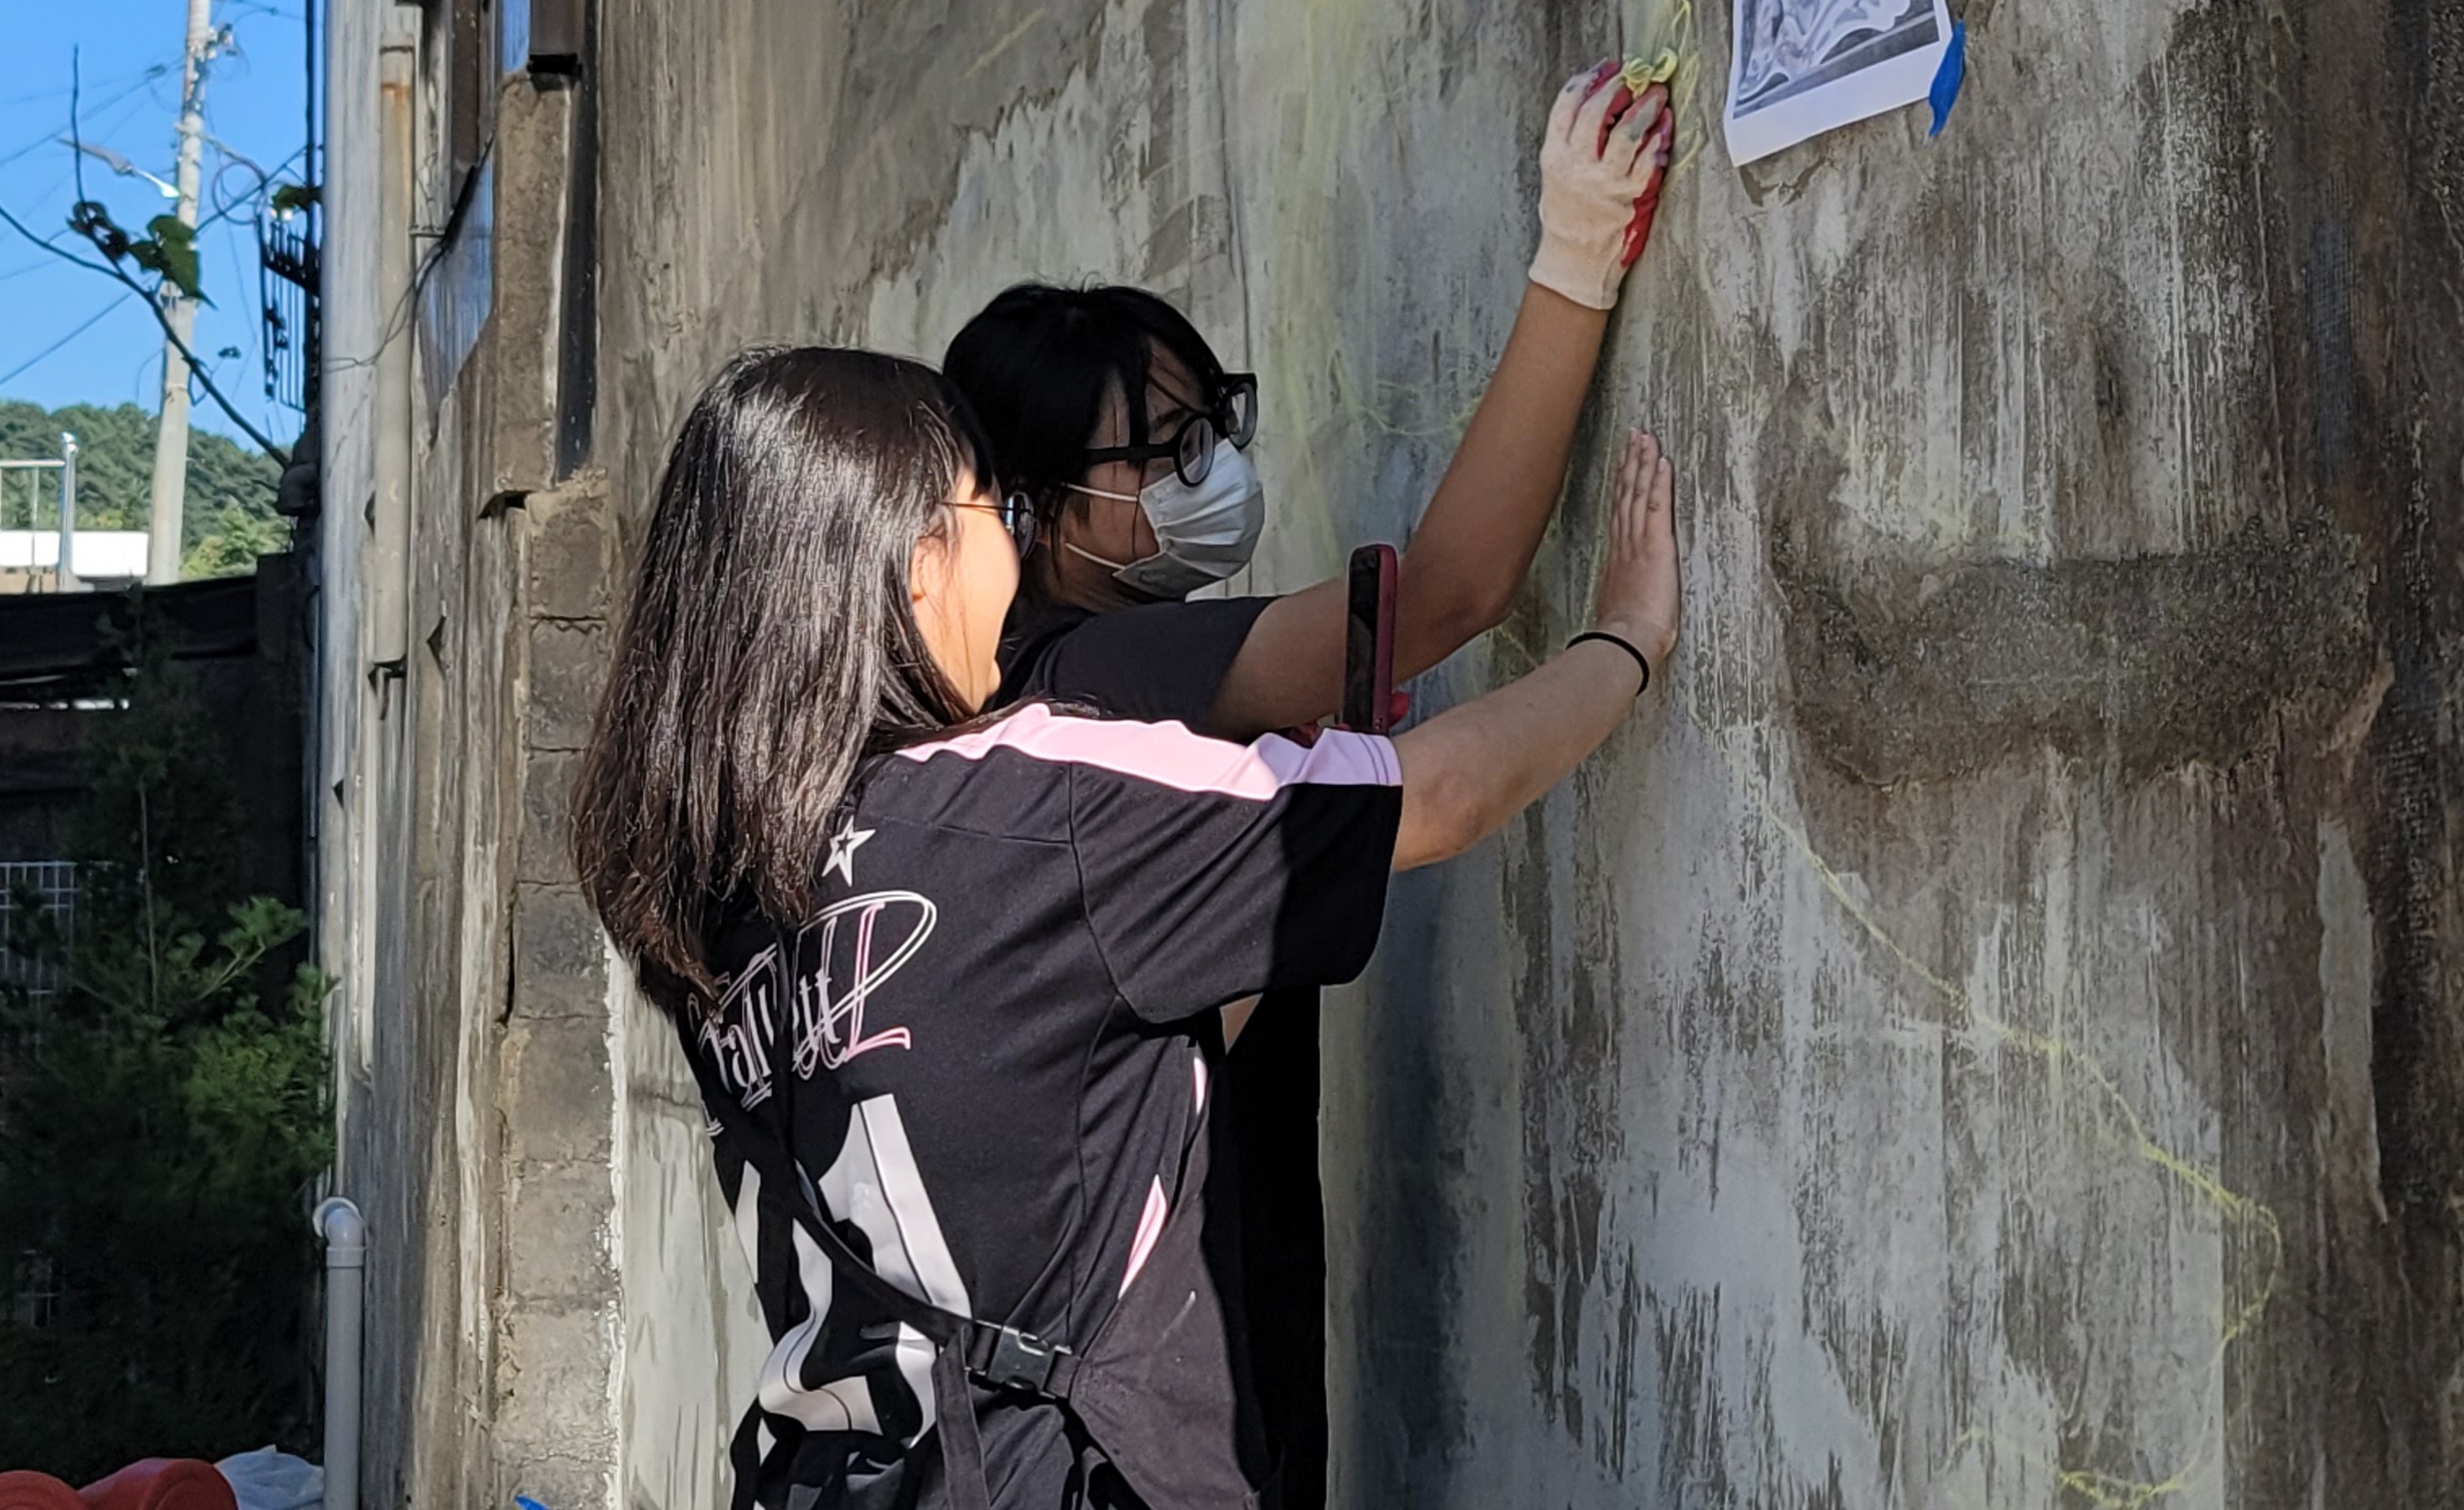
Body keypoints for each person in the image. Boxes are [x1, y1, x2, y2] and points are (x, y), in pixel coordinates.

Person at [569, 348, 1678, 1510]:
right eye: (990, 512)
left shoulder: (715, 886)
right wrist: (1627, 638)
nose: (1011, 555)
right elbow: (1438, 794)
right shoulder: (1039, 802)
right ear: (916, 561)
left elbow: (1061, 1074)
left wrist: (1212, 891)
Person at [938, 63, 1670, 1502]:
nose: (1209, 470)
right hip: (1165, 1413)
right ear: (1038, 507)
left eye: (1214, 427)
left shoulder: (1032, 700)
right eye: (1165, 451)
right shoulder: (1099, 688)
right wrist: (1578, 259)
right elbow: (1449, 594)